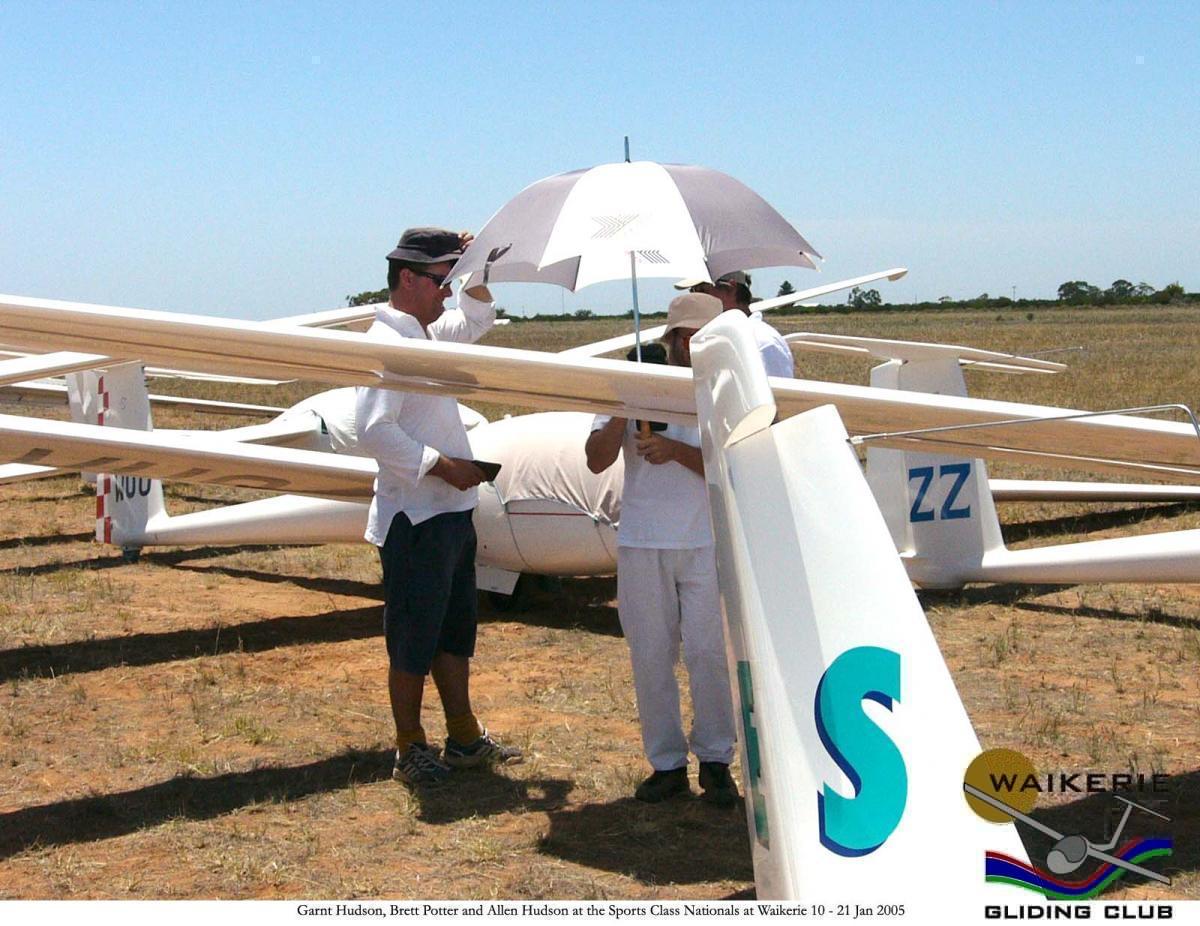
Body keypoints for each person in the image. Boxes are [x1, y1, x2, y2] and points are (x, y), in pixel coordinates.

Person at [356, 227, 520, 786]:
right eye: (440, 280)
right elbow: (373, 430)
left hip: (448, 513)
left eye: (451, 279)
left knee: (452, 633)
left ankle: (464, 737)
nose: (448, 291)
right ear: (408, 279)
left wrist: (478, 263)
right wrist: (441, 465)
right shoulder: (390, 342)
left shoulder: (424, 332)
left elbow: (477, 318)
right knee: (412, 640)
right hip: (415, 518)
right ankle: (408, 749)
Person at [584, 292, 738, 807]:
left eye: (702, 338)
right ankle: (667, 763)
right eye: (684, 337)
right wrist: (624, 409)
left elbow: (731, 464)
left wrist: (676, 451)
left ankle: (716, 760)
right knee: (650, 654)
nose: (690, 347)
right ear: (669, 339)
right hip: (642, 541)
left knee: (708, 653)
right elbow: (595, 459)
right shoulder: (631, 382)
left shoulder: (723, 390)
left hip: (704, 540)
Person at [674, 271, 793, 377]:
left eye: (702, 291)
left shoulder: (761, 342)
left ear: (731, 288)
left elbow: (778, 394)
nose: (696, 299)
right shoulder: (718, 338)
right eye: (693, 291)